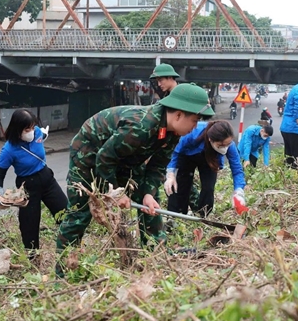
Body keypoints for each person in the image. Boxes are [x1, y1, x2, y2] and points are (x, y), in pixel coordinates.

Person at [56, 84, 214, 264]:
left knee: (150, 205)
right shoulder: (141, 126)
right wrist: (117, 192)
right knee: (80, 212)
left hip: (125, 158)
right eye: (194, 120)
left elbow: (158, 165)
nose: (195, 126)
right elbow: (105, 158)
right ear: (178, 115)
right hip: (89, 154)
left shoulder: (174, 132)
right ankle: (64, 267)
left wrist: (148, 194)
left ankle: (157, 253)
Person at [0, 111, 67, 253]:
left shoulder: (37, 133)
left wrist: (44, 133)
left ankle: (69, 248)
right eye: (27, 130)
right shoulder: (8, 150)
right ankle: (33, 257)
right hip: (28, 187)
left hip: (47, 180)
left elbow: (41, 136)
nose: (31, 132)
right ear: (17, 129)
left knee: (65, 214)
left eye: (32, 127)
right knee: (29, 227)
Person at [165, 120, 246, 217]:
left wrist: (238, 190)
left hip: (210, 159)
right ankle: (176, 215)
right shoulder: (193, 132)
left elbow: (237, 169)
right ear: (210, 139)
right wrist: (171, 173)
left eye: (227, 144)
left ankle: (203, 215)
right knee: (180, 185)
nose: (225, 148)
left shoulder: (229, 145)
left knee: (208, 188)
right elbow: (176, 151)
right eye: (221, 145)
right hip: (186, 156)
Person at [280, 76, 298, 168]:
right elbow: (297, 114)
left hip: (286, 127)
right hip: (293, 128)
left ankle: (288, 174)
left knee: (290, 157)